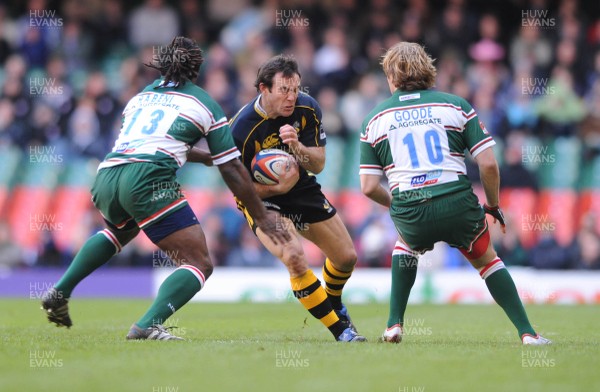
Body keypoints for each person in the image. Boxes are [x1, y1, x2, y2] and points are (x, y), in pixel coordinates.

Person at [41, 37, 288, 340]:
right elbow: (233, 169)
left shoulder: (141, 96)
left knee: (120, 230)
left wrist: (206, 158)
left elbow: (160, 140)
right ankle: (147, 325)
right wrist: (261, 216)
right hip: (147, 178)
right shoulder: (204, 102)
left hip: (108, 173)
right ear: (197, 68)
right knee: (199, 262)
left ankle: (60, 290)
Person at [359, 42, 551, 345]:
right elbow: (488, 163)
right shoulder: (455, 105)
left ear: (391, 77)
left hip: (411, 208)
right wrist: (493, 204)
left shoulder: (374, 120)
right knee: (488, 261)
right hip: (457, 204)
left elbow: (369, 187)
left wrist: (397, 203)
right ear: (427, 70)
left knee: (406, 245)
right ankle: (528, 333)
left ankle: (394, 324)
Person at [229, 55, 365, 342]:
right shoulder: (240, 128)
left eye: (295, 89)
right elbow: (238, 188)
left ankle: (334, 303)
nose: (292, 97)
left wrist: (297, 146)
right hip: (260, 200)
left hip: (300, 187)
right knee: (294, 256)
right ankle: (341, 332)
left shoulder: (307, 108)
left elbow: (318, 165)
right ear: (263, 89)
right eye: (283, 90)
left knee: (346, 258)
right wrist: (275, 189)